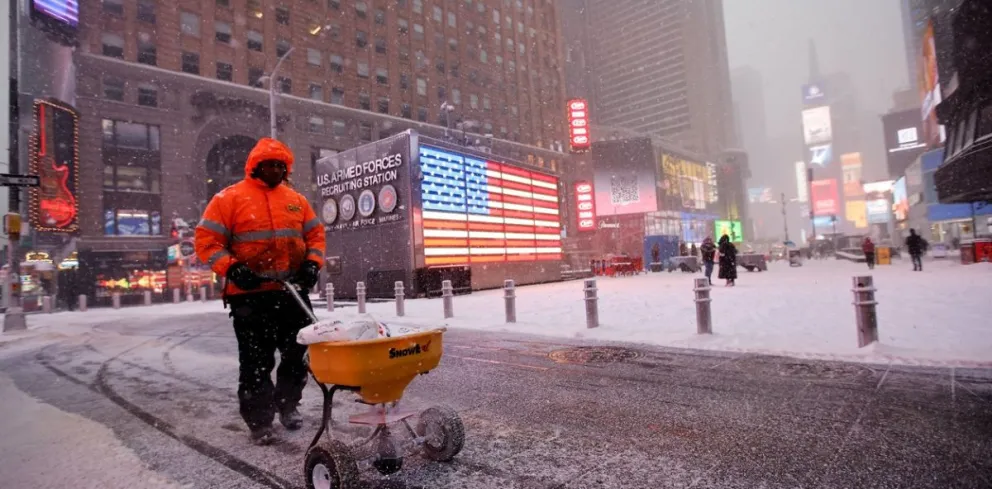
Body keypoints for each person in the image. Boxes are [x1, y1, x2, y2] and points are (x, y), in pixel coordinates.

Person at [194, 138, 326, 445]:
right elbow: (206, 241)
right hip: (249, 297)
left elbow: (316, 235)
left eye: (281, 165)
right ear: (255, 167)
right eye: (270, 165)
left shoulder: (296, 200)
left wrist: (311, 264)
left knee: (299, 354)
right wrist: (232, 268)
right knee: (256, 361)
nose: (276, 170)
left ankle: (288, 405)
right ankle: (259, 420)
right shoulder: (229, 198)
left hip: (291, 291)